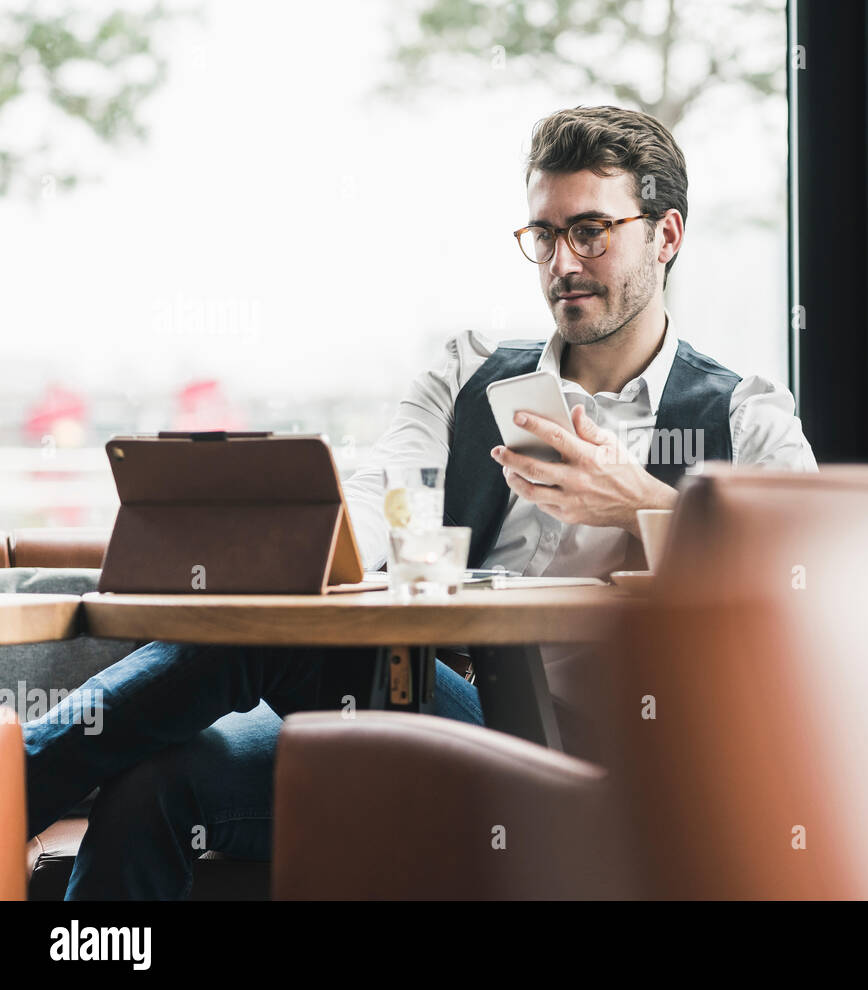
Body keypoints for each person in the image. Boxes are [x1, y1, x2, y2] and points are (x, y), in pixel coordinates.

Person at [22, 105, 816, 899]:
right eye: (543, 235)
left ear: (666, 236)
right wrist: (308, 550)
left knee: (271, 640)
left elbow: (816, 578)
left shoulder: (745, 416)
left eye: (591, 231)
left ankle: (13, 787)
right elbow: (378, 502)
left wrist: (638, 502)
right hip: (446, 709)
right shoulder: (466, 377)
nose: (561, 262)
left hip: (620, 766)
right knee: (160, 783)